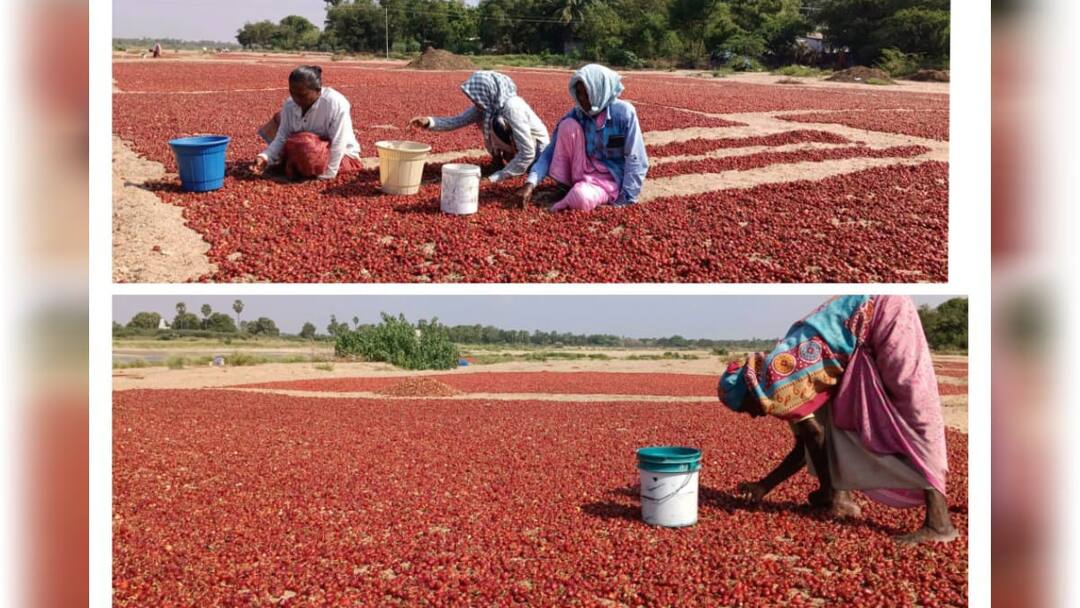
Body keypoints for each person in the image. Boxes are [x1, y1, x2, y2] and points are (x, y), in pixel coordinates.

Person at [717, 295, 958, 544]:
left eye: (745, 409)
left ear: (749, 393)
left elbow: (814, 437)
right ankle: (838, 496)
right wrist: (764, 486)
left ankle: (939, 523)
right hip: (865, 329)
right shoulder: (774, 376)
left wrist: (778, 487)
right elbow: (808, 442)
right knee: (835, 416)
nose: (752, 416)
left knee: (915, 410)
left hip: (882, 311)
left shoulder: (776, 386)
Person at [520, 64, 648, 212]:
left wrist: (626, 198)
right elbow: (550, 151)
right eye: (579, 93)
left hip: (611, 179)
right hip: (583, 171)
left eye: (587, 93)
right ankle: (565, 187)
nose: (581, 99)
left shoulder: (624, 114)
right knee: (567, 126)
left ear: (599, 90)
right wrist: (530, 183)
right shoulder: (577, 114)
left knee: (580, 197)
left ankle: (579, 195)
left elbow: (636, 158)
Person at [409, 71, 549, 188]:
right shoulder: (488, 106)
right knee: (489, 121)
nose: (475, 101)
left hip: (537, 151)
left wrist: (495, 178)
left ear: (487, 92)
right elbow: (458, 121)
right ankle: (499, 161)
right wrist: (428, 122)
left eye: (476, 97)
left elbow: (527, 152)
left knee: (497, 123)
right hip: (519, 147)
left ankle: (523, 167)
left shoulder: (512, 108)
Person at [253, 66, 362, 180]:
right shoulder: (290, 104)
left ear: (318, 91)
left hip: (336, 154)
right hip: (305, 147)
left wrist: (329, 173)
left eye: (302, 95)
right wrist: (265, 157)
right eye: (292, 93)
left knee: (306, 145)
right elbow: (282, 136)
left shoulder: (335, 104)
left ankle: (296, 165)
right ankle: (296, 164)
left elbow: (339, 142)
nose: (296, 99)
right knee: (278, 120)